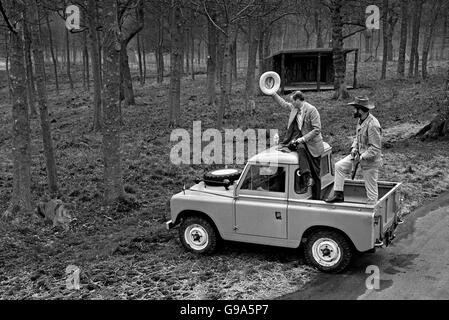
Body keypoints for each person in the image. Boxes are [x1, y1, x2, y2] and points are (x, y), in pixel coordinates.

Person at [325, 96, 382, 205]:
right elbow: (357, 137)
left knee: (371, 190)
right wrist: (354, 147)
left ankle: (371, 213)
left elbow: (375, 148)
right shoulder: (361, 120)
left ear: (360, 110)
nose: (353, 111)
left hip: (370, 161)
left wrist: (362, 157)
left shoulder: (373, 125)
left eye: (354, 108)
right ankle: (338, 195)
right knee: (339, 166)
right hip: (359, 155)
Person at [272, 91, 324, 199]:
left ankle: (317, 199)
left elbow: (317, 130)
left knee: (316, 175)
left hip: (313, 145)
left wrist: (303, 139)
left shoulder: (312, 110)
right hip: (302, 142)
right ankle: (307, 176)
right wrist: (273, 93)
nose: (291, 103)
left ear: (298, 100)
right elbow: (283, 103)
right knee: (299, 148)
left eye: (293, 101)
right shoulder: (295, 108)